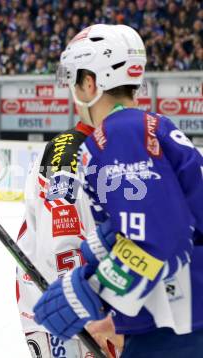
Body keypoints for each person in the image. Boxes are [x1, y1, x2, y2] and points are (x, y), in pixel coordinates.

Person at [33, 24, 203, 357]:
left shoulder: (119, 134)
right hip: (175, 321)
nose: (73, 91)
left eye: (74, 80)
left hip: (177, 331)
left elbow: (160, 239)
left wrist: (96, 290)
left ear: (90, 83)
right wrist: (118, 318)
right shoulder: (149, 126)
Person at [16, 116, 122, 357]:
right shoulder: (67, 153)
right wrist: (89, 312)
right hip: (66, 317)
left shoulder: (117, 146)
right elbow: (62, 249)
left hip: (100, 310)